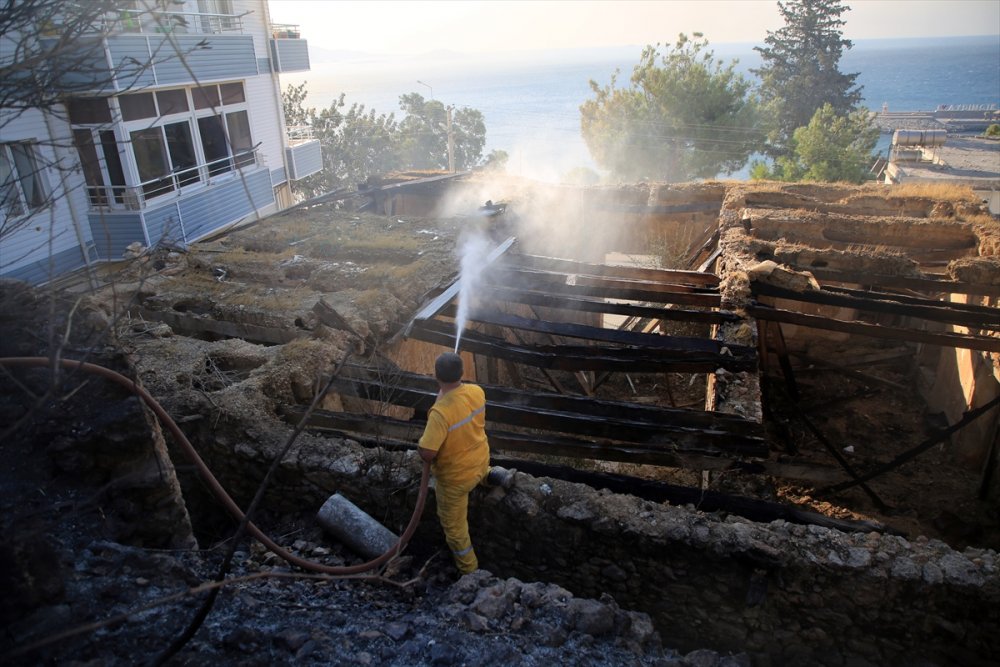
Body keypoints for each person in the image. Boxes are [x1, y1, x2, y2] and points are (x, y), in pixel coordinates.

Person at [418, 352, 512, 574]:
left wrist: (439, 404)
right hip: (479, 462)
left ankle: (470, 573)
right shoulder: (477, 392)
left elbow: (428, 453)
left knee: (455, 530)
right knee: (480, 473)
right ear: (462, 373)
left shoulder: (440, 413)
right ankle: (495, 475)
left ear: (435, 376)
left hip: (456, 480)